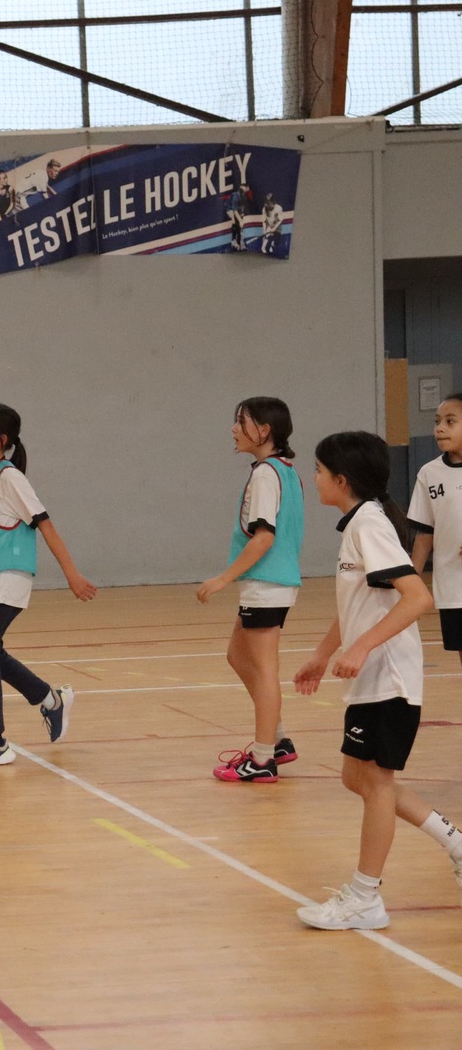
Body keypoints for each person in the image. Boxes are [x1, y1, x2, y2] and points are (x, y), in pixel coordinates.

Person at [293, 431, 462, 930]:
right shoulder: (360, 524)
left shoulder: (369, 524)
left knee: (376, 783)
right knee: (359, 778)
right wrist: (323, 654)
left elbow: (417, 598)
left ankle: (365, 897)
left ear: (342, 480)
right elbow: (361, 602)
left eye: (319, 471)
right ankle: (457, 844)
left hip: (389, 678)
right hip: (374, 679)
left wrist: (362, 646)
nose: (314, 478)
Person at [0, 403, 97, 768]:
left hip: (8, 575)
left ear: (0, 440)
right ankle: (50, 700)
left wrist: (72, 574)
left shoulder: (10, 478)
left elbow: (45, 524)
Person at [197, 397, 305, 782]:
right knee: (238, 656)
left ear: (264, 430)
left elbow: (263, 537)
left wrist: (223, 579)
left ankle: (262, 760)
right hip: (269, 584)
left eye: (241, 421)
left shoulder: (265, 475)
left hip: (267, 585)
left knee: (264, 671)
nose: (233, 428)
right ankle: (278, 740)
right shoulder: (283, 471)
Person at [407, 392, 462, 668]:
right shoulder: (429, 474)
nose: (440, 428)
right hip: (452, 587)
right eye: (437, 421)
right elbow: (424, 533)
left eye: (450, 421)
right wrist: (411, 583)